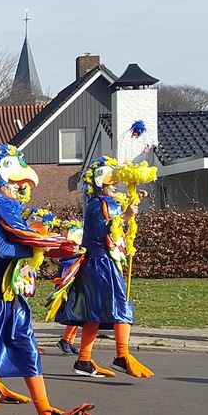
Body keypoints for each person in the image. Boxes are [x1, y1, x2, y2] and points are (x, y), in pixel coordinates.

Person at [0, 145, 95, 415]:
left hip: (10, 298)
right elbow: (1, 248)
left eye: (21, 183)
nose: (20, 186)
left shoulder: (12, 212)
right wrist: (36, 247)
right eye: (14, 181)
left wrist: (57, 245)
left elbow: (26, 240)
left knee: (28, 350)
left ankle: (45, 413)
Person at [58, 157, 154, 378]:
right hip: (100, 262)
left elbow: (116, 215)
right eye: (111, 184)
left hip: (100, 262)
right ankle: (121, 356)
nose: (114, 187)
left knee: (95, 313)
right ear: (102, 182)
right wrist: (126, 216)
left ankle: (83, 360)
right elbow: (103, 228)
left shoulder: (104, 201)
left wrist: (134, 197)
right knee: (121, 306)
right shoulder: (96, 204)